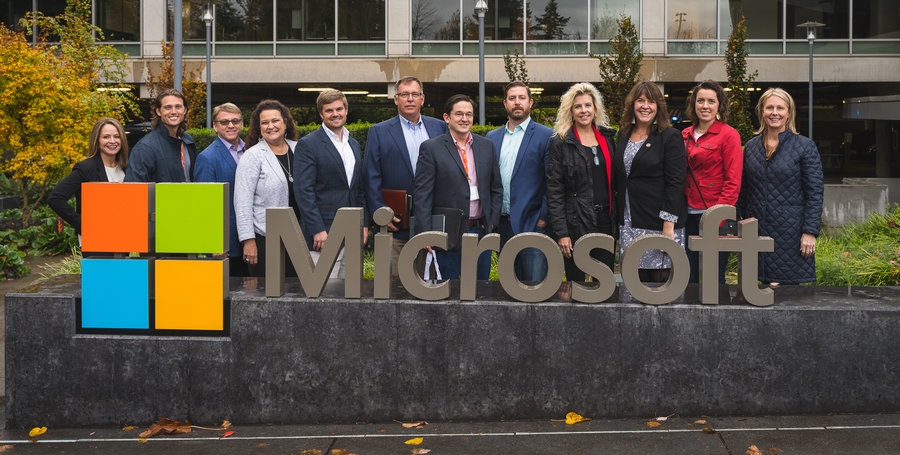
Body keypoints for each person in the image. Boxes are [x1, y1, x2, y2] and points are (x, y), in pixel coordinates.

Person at [738, 88, 824, 286]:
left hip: (790, 234)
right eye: (769, 107)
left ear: (789, 112)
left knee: (786, 294)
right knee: (754, 290)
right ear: (762, 111)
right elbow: (744, 190)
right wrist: (738, 221)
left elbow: (815, 193)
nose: (774, 112)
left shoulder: (805, 146)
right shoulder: (751, 147)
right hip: (756, 230)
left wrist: (810, 232)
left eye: (780, 108)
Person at [363, 76, 447, 277]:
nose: (410, 99)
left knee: (430, 283)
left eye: (415, 94)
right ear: (396, 99)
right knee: (393, 284)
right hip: (395, 223)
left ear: (422, 99)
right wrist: (380, 213)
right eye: (404, 94)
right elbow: (370, 176)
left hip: (432, 223)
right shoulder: (378, 132)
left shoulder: (440, 128)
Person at [413, 94, 502, 280]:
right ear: (447, 118)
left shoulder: (487, 146)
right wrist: (426, 232)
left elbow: (496, 188)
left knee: (480, 286)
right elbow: (423, 194)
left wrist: (492, 221)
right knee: (448, 286)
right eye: (459, 114)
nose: (464, 119)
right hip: (447, 232)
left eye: (469, 114)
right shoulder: (431, 148)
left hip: (480, 230)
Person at [613, 81, 687, 283]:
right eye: (640, 101)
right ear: (632, 105)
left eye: (651, 101)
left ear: (658, 106)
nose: (645, 106)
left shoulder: (670, 136)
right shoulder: (623, 134)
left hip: (659, 223)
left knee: (660, 285)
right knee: (633, 283)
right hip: (629, 222)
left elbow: (676, 183)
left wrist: (668, 226)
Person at [546, 82, 617, 281]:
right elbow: (554, 190)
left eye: (588, 105)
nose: (583, 110)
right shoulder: (560, 141)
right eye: (578, 106)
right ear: (570, 111)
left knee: (604, 282)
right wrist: (562, 233)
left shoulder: (607, 138)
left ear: (595, 109)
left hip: (606, 221)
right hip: (575, 223)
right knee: (576, 285)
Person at [295, 89, 368, 280]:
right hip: (323, 235)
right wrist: (317, 229)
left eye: (339, 109)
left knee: (351, 288)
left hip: (352, 232)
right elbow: (304, 191)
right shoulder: (308, 144)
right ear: (321, 114)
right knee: (323, 289)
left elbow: (358, 189)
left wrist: (364, 224)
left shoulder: (353, 144)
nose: (335, 114)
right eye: (329, 110)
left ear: (346, 110)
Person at [486, 81, 554, 283]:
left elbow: (552, 182)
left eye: (522, 98)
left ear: (530, 102)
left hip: (533, 224)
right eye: (512, 98)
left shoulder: (546, 136)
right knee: (508, 286)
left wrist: (543, 218)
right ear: (505, 103)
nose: (517, 102)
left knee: (535, 287)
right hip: (502, 225)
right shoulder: (492, 137)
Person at [681, 80, 743, 284]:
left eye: (711, 101)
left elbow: (733, 182)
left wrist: (718, 218)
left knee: (713, 278)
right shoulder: (684, 135)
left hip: (715, 217)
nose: (705, 106)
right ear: (693, 104)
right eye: (700, 101)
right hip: (687, 215)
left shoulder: (729, 135)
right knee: (689, 276)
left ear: (719, 105)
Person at [234, 100, 300, 277]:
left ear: (285, 122)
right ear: (259, 127)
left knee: (298, 289)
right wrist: (248, 241)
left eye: (275, 120)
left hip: (299, 238)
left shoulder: (299, 149)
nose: (270, 126)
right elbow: (242, 202)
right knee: (269, 290)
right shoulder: (252, 156)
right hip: (265, 239)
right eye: (264, 122)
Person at [48, 117, 129, 245]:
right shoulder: (86, 168)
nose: (112, 141)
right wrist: (83, 225)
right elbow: (55, 198)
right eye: (106, 137)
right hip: (95, 239)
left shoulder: (126, 167)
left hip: (123, 236)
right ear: (97, 140)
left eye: (117, 136)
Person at [193, 103, 247, 276]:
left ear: (242, 124)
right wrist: (213, 243)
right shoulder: (207, 158)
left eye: (235, 121)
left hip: (250, 238)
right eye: (224, 122)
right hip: (226, 244)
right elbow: (204, 205)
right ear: (215, 126)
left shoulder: (251, 152)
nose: (230, 125)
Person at [125, 89, 198, 183]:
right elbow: (134, 186)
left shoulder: (188, 141)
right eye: (168, 107)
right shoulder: (145, 148)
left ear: (185, 110)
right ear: (158, 111)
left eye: (178, 107)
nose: (174, 111)